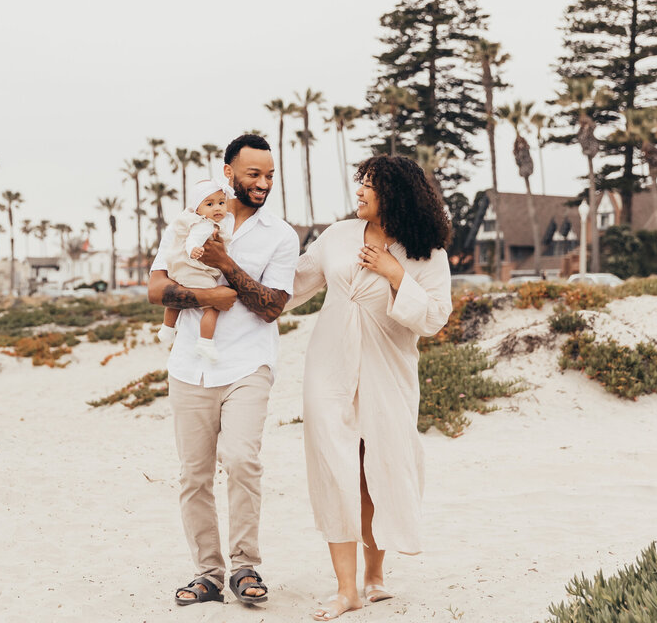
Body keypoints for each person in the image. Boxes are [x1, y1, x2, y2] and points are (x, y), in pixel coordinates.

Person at [287, 154, 452, 621]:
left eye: (369, 185)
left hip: (387, 370)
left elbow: (436, 319)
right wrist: (232, 281)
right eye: (359, 182)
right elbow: (294, 284)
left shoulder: (425, 253)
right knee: (334, 470)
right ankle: (346, 591)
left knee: (376, 468)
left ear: (395, 195)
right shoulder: (337, 236)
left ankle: (375, 577)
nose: (359, 191)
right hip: (329, 366)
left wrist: (394, 273)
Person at [148, 133, 299, 608]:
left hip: (247, 364)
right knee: (193, 474)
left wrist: (223, 263)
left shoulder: (281, 235)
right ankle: (208, 574)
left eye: (270, 174)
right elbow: (156, 289)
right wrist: (205, 297)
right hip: (189, 364)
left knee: (240, 460)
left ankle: (245, 566)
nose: (263, 183)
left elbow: (272, 306)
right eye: (253, 174)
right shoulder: (188, 221)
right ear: (229, 173)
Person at [155, 178, 237, 362]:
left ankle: (167, 329)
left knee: (178, 301)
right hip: (194, 270)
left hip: (181, 269)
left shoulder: (205, 222)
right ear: (197, 208)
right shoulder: (203, 225)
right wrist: (194, 249)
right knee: (213, 307)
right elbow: (193, 239)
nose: (217, 208)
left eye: (221, 203)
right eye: (210, 204)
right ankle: (205, 342)